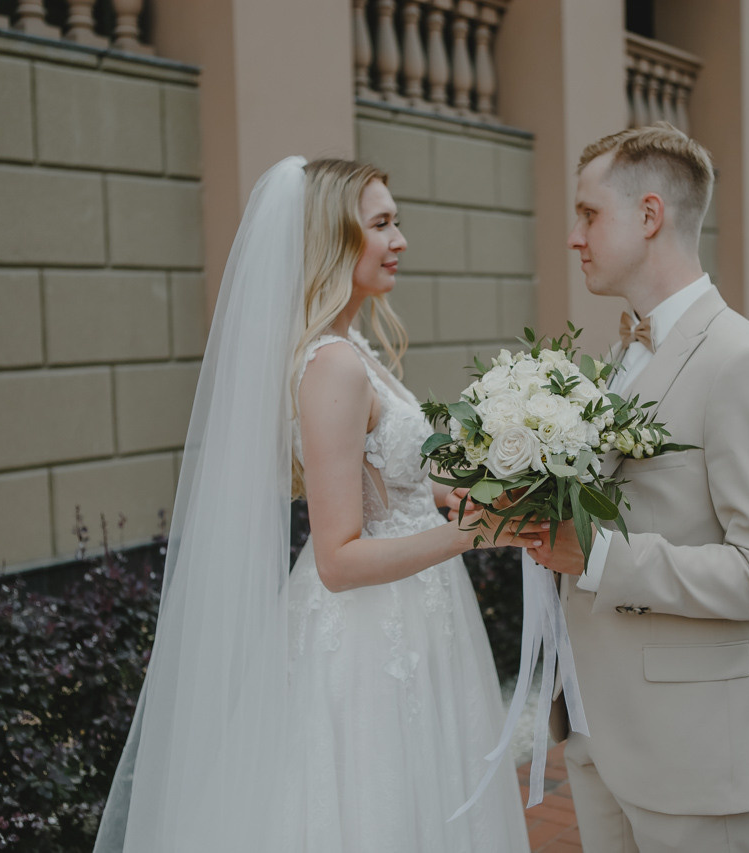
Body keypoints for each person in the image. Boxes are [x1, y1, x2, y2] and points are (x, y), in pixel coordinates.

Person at [93, 157, 530, 852]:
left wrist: (465, 490)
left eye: (398, 222)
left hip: (419, 615)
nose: (400, 239)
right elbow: (337, 558)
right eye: (381, 224)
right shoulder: (334, 366)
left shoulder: (355, 344)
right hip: (369, 636)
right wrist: (473, 535)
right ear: (334, 238)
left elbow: (390, 476)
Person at [526, 122, 749, 852]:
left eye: (589, 213)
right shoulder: (621, 351)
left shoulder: (742, 363)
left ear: (649, 216)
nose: (574, 235)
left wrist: (595, 555)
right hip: (595, 727)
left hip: (689, 746)